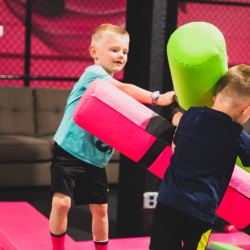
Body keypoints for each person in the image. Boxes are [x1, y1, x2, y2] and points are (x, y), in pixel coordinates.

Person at [49, 23, 175, 250]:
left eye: (125, 51)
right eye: (114, 50)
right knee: (62, 203)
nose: (121, 55)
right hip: (68, 150)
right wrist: (158, 98)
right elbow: (124, 89)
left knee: (101, 209)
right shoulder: (93, 75)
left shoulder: (112, 84)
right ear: (94, 52)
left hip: (95, 159)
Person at [149, 64, 250, 250]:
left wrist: (177, 120)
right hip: (201, 211)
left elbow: (177, 128)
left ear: (214, 97)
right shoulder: (237, 135)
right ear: (245, 110)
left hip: (168, 200)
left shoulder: (192, 115)